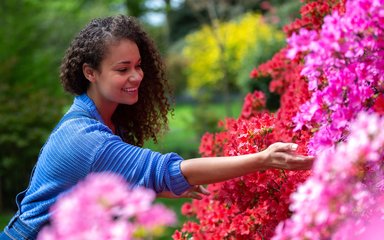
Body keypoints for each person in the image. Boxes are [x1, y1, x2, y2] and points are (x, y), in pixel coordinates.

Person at [0, 15, 313, 240]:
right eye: (123, 69)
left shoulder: (104, 119)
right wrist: (263, 159)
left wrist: (164, 186)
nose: (137, 76)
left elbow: (126, 181)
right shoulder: (85, 139)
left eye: (138, 66)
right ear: (90, 72)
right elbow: (164, 170)